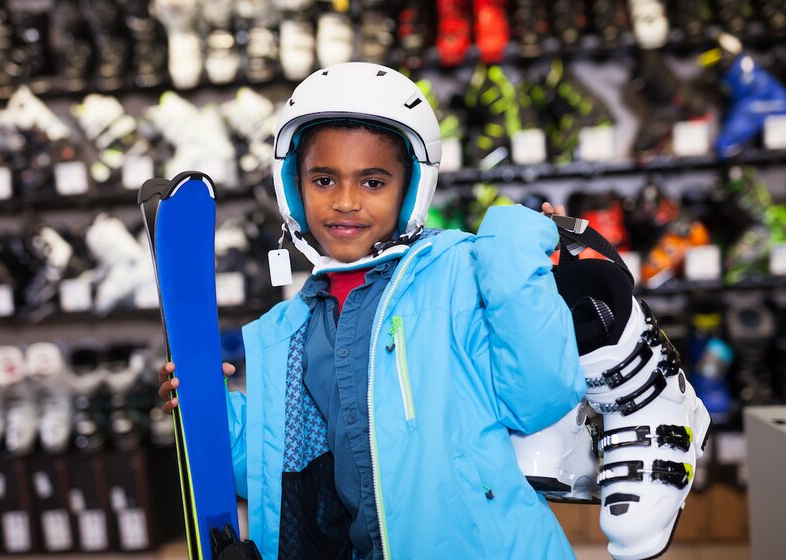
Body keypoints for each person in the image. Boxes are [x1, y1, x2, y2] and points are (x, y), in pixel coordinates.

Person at [159, 62, 586, 560]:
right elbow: (284, 471)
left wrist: (514, 253)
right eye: (323, 179)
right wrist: (207, 411)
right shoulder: (290, 331)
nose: (344, 202)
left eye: (372, 183)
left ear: (410, 189)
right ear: (293, 186)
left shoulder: (460, 275)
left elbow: (540, 397)